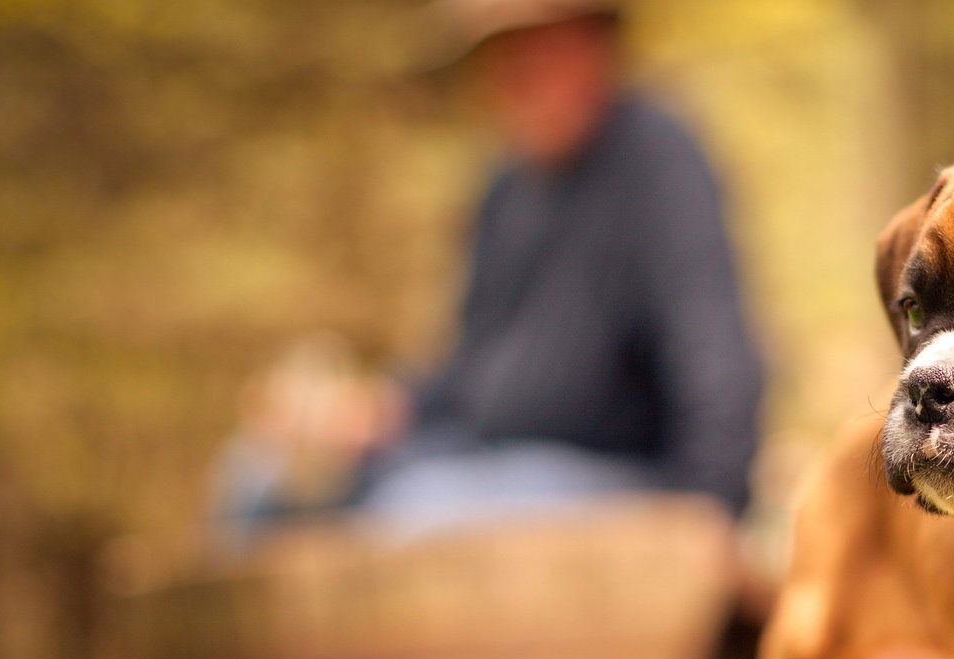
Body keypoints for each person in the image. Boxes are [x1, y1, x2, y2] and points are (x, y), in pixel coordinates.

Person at [215, 0, 763, 541]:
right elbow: (472, 367)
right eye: (502, 56)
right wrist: (384, 411)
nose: (516, 78)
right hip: (477, 456)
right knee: (258, 479)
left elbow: (715, 354)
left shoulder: (658, 158)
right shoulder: (508, 189)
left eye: (536, 51)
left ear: (594, 45)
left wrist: (708, 513)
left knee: (415, 512)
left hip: (614, 476)